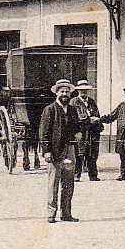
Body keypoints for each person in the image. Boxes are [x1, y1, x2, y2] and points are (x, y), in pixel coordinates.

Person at [38, 79, 81, 223]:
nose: (65, 94)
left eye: (67, 92)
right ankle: (51, 214)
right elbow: (43, 132)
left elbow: (76, 126)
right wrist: (46, 151)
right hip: (55, 152)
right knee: (53, 184)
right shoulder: (49, 109)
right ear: (57, 93)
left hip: (70, 151)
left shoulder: (73, 110)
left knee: (68, 183)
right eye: (62, 91)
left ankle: (66, 214)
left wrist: (78, 132)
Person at [98, 82, 125, 181]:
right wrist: (100, 119)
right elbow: (112, 116)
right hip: (122, 136)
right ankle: (123, 174)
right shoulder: (121, 106)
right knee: (123, 156)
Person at [72, 79, 102, 181]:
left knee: (92, 154)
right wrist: (89, 119)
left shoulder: (91, 101)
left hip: (92, 132)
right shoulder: (74, 102)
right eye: (81, 90)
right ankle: (76, 175)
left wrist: (97, 120)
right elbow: (74, 117)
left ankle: (93, 175)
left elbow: (97, 114)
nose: (83, 92)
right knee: (79, 154)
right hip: (80, 132)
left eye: (85, 90)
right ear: (78, 91)